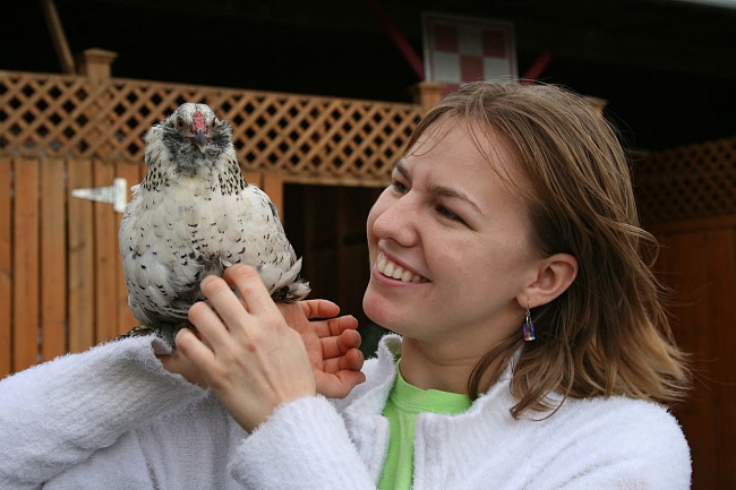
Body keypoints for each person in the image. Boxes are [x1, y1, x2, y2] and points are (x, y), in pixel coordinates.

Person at [0, 81, 691, 489]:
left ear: (544, 278)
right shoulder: (252, 403)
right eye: (399, 183)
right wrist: (175, 365)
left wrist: (283, 423)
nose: (391, 223)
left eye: (447, 211)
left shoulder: (617, 451)